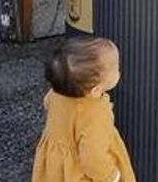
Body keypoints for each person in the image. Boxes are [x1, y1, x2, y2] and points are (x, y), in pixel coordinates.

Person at [32, 36, 135, 182]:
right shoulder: (95, 114)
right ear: (95, 90)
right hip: (77, 174)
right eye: (116, 68)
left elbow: (46, 102)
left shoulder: (57, 93)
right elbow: (93, 157)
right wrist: (111, 176)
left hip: (56, 166)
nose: (119, 71)